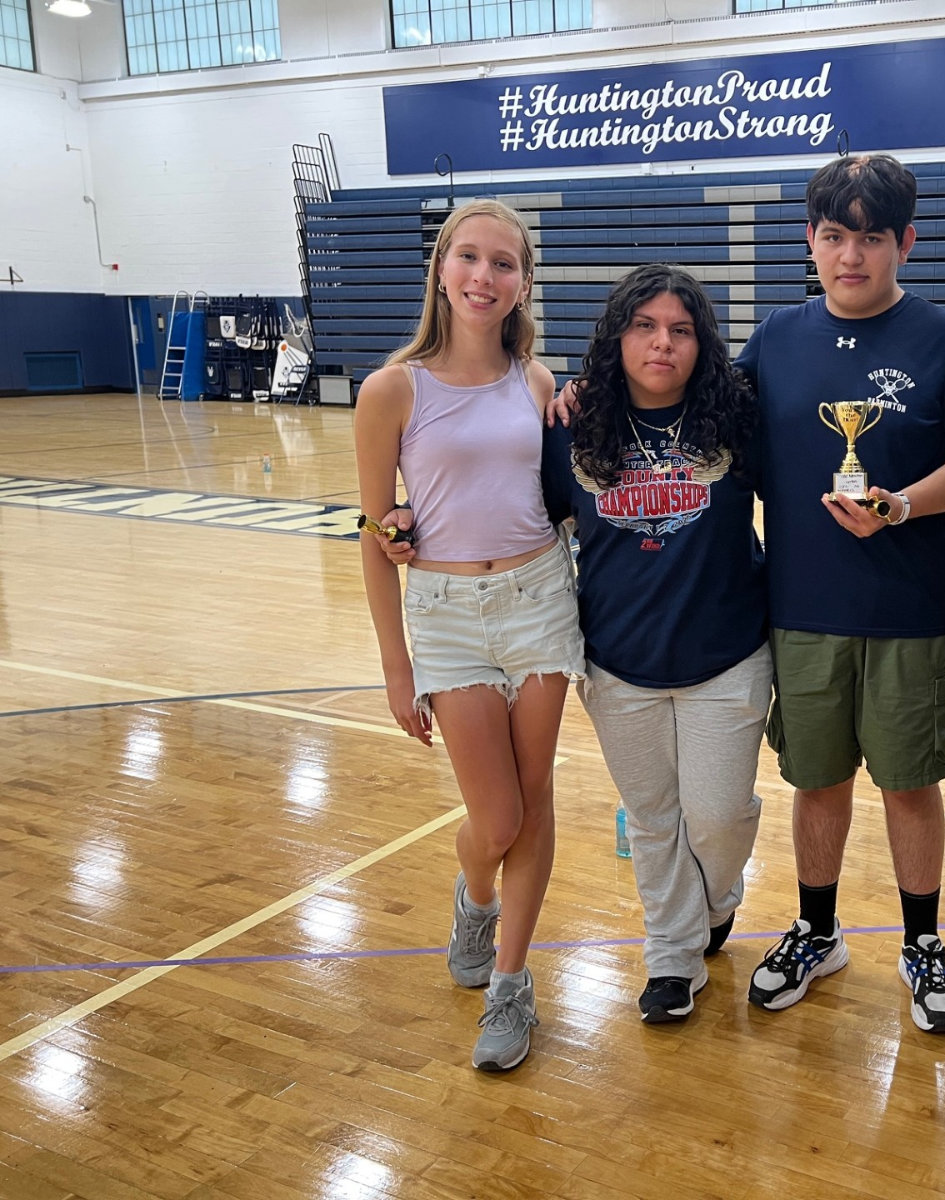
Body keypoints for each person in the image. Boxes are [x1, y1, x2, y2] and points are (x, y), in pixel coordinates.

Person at [734, 154, 945, 1033]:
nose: (852, 255)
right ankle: (816, 928)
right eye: (835, 235)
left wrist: (905, 505)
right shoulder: (773, 340)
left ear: (905, 243)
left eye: (871, 237)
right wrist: (585, 393)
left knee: (910, 784)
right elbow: (699, 421)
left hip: (912, 608)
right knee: (818, 781)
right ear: (811, 240)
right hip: (802, 607)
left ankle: (922, 942)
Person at [354, 198, 584, 1072]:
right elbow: (376, 540)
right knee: (495, 818)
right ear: (442, 269)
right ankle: (474, 899)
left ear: (524, 282)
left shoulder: (534, 380)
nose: (485, 278)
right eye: (470, 259)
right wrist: (393, 666)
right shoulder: (392, 390)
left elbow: (559, 489)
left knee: (537, 801)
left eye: (504, 264)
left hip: (537, 598)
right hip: (446, 618)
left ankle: (512, 987)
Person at [544, 264, 769, 1024]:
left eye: (680, 329)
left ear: (702, 343)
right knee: (651, 819)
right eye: (645, 327)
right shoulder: (574, 426)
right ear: (618, 337)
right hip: (618, 663)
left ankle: (715, 903)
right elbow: (528, 523)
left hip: (727, 655)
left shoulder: (737, 420)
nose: (662, 343)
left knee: (715, 816)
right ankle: (672, 958)